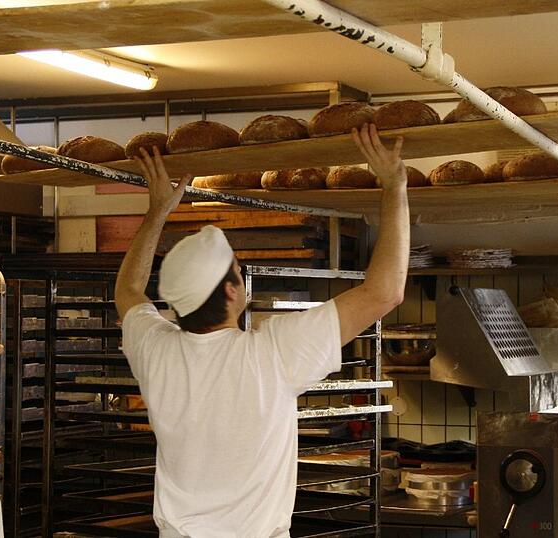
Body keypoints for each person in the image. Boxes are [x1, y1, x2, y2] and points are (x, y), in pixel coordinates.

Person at [114, 123, 410, 538]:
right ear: (233, 291)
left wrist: (158, 209)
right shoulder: (270, 354)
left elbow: (127, 289)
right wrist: (394, 185)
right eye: (239, 269)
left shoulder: (154, 349)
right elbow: (385, 292)